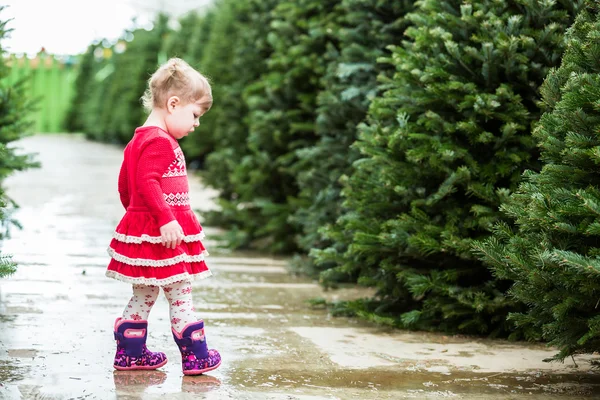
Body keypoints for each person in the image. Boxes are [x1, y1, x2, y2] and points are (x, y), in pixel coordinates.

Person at [105, 57, 221, 376]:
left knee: (144, 293)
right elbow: (146, 181)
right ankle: (196, 355)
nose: (196, 124)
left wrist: (137, 217)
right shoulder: (161, 141)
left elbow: (125, 186)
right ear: (173, 103)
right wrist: (165, 218)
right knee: (181, 293)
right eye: (194, 115)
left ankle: (130, 353)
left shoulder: (138, 139)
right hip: (166, 235)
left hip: (149, 231)